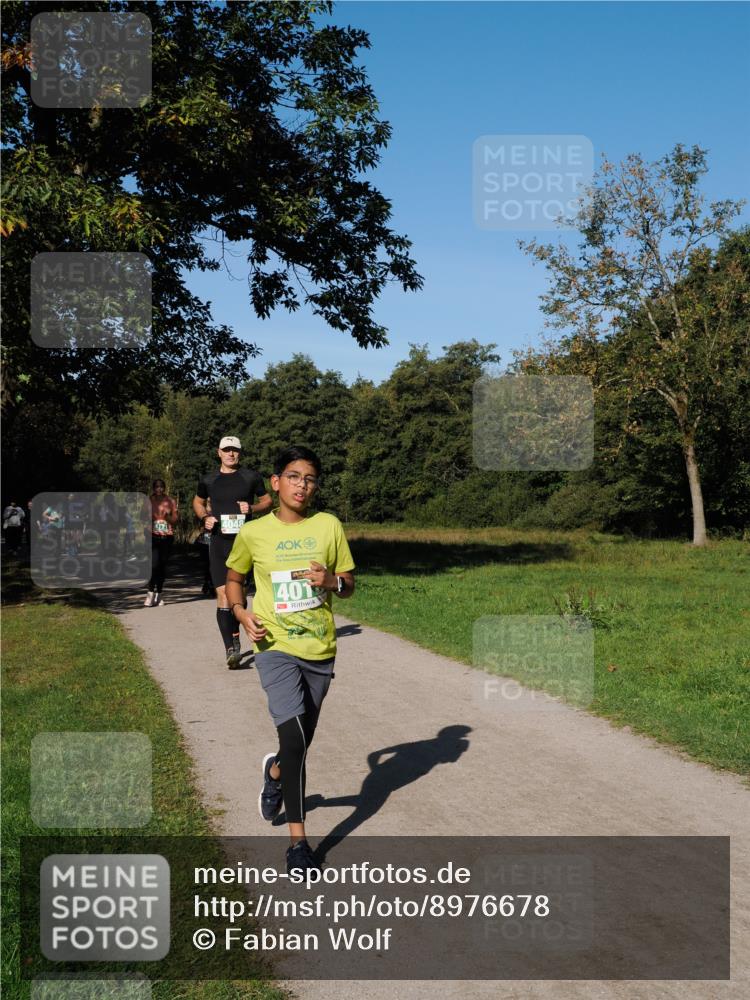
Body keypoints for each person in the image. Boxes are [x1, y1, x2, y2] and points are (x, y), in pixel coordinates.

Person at [225, 445, 355, 875]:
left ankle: (276, 772)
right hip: (274, 647)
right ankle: (298, 844)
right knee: (296, 741)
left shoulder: (328, 526)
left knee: (298, 743)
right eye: (294, 477)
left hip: (319, 650)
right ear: (276, 482)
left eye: (310, 479)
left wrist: (332, 581)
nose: (303, 485)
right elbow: (234, 578)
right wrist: (241, 613)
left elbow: (349, 583)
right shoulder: (254, 533)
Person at [192, 436, 272, 667]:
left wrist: (252, 507)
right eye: (226, 450)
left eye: (234, 450)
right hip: (219, 543)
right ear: (219, 452)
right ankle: (231, 647)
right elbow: (197, 502)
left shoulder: (251, 477)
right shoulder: (209, 479)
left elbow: (267, 501)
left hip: (244, 544)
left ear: (239, 453)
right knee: (223, 595)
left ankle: (236, 633)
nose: (230, 453)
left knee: (239, 595)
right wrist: (205, 517)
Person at [145, 479, 178, 607]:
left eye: (161, 487)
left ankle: (159, 594)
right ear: (153, 488)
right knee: (153, 565)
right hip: (153, 536)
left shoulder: (170, 501)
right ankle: (150, 593)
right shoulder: (148, 501)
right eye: (156, 487)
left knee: (162, 566)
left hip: (166, 537)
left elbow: (175, 520)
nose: (159, 489)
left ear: (164, 488)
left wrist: (167, 517)